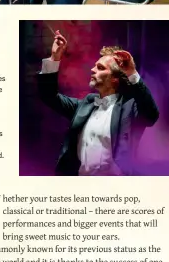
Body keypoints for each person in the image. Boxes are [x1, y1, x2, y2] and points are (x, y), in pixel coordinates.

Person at [37, 31, 160, 176]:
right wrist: (55, 57)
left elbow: (151, 115)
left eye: (100, 68)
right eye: (95, 66)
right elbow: (48, 95)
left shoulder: (129, 108)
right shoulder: (84, 105)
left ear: (115, 79)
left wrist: (131, 72)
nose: (92, 69)